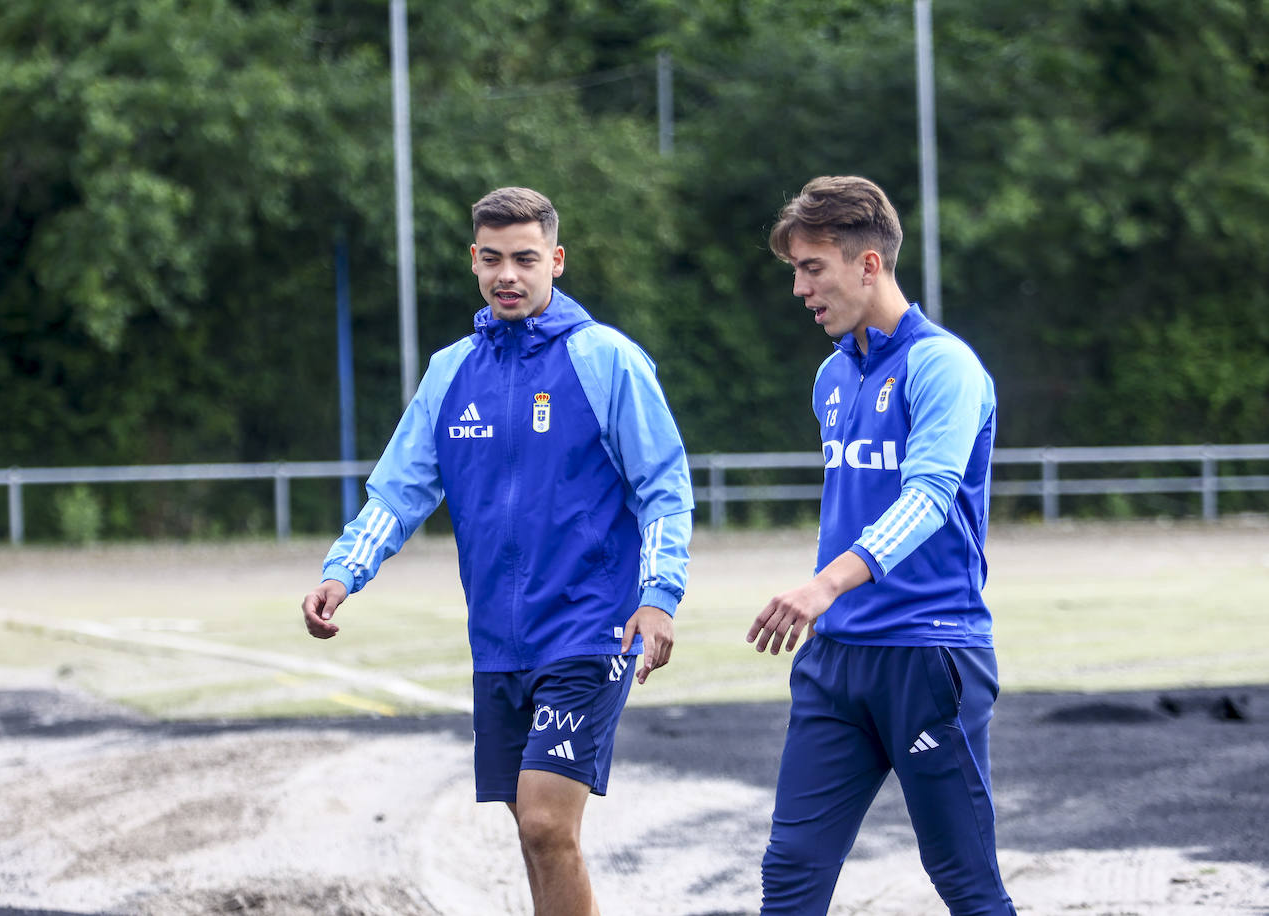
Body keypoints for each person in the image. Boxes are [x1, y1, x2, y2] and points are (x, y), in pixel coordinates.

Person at [302, 187, 694, 916]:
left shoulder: (605, 359)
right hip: (499, 642)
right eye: (492, 259)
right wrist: (343, 571)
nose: (507, 274)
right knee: (534, 831)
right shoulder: (452, 371)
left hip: (589, 627)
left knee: (547, 821)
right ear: (473, 260)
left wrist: (658, 596)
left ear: (557, 261)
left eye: (525, 258)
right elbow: (399, 493)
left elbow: (663, 488)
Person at [746, 176, 1016, 915]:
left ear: (868, 264)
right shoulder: (832, 377)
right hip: (835, 661)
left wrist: (824, 583)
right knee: (791, 871)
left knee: (964, 878)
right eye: (796, 271)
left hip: (929, 655)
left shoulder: (946, 368)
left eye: (813, 269)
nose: (800, 289)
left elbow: (926, 499)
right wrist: (829, 603)